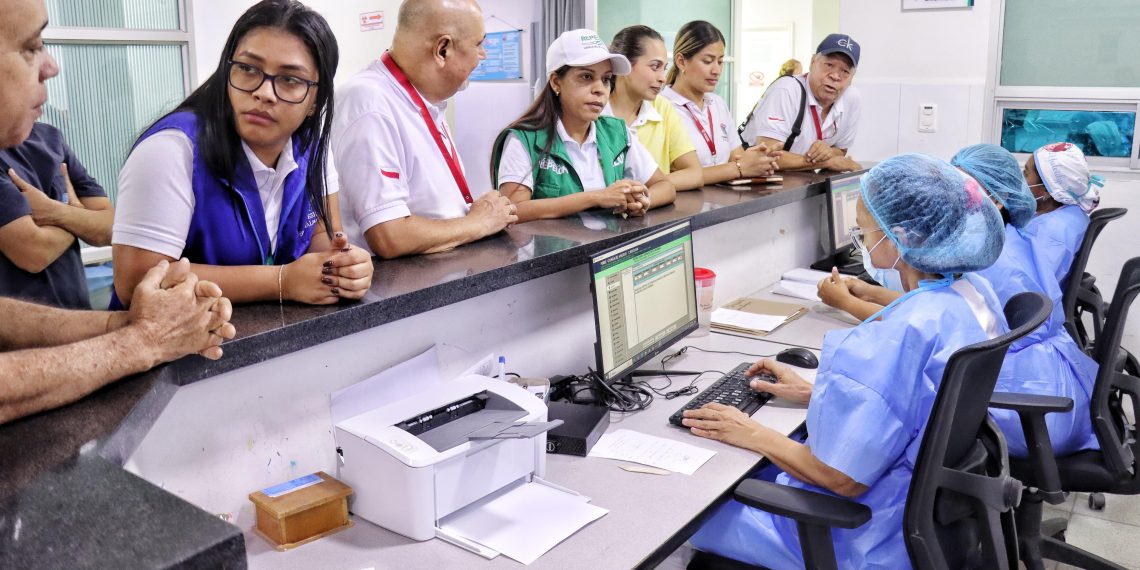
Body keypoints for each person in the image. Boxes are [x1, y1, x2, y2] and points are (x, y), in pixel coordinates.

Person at [683, 154, 1007, 568]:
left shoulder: (899, 334)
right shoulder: (970, 295)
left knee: (687, 511)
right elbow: (921, 400)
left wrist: (747, 430)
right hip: (923, 514)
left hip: (861, 535)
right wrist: (815, 391)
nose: (861, 242)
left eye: (864, 232)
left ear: (898, 238)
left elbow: (842, 478)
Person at [0, 0, 234, 425]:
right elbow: (39, 246)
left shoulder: (48, 137)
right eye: (31, 46)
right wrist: (142, 341)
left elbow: (109, 225)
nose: (51, 67)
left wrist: (129, 325)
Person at [818, 144, 1101, 458]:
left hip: (1030, 407)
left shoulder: (988, 265)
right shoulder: (992, 255)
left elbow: (925, 325)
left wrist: (846, 302)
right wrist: (869, 292)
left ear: (993, 200)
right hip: (1043, 386)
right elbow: (934, 304)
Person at [112, 0, 373, 307]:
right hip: (172, 347)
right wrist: (281, 282)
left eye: (290, 80)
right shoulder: (171, 151)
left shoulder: (312, 147)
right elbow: (137, 281)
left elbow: (322, 238)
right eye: (249, 69)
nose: (263, 92)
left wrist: (343, 268)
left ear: (315, 101)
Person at [333, 0, 516, 259]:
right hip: (395, 290)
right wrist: (479, 222)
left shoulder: (426, 100)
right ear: (442, 49)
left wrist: (477, 214)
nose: (483, 55)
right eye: (478, 44)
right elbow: (389, 236)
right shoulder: (369, 103)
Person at [489, 29, 675, 221]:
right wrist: (596, 197)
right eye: (586, 77)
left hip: (608, 247)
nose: (599, 90)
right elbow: (513, 209)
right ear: (556, 82)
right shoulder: (525, 139)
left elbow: (665, 186)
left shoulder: (616, 133)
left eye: (606, 79)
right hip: (556, 250)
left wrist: (644, 201)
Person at [1, 121, 113, 309]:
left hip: (78, 314)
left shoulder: (50, 137)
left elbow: (110, 227)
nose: (44, 95)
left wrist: (55, 212)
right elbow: (35, 253)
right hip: (21, 330)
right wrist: (78, 215)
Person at [660, 21, 779, 184]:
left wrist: (758, 161)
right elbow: (677, 176)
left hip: (724, 203)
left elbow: (736, 157)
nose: (716, 70)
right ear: (681, 61)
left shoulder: (717, 103)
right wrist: (738, 167)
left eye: (720, 61)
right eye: (708, 61)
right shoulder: (662, 107)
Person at [739, 34, 863, 172]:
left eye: (845, 71)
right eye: (829, 65)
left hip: (799, 179)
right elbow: (766, 155)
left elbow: (840, 150)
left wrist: (826, 151)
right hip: (751, 180)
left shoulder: (852, 98)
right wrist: (827, 161)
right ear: (813, 62)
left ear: (852, 77)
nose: (835, 76)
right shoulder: (785, 90)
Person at [605, 25, 703, 191]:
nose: (663, 78)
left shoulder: (662, 107)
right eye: (654, 66)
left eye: (664, 68)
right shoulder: (595, 110)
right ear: (624, 64)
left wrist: (642, 190)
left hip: (653, 211)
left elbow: (695, 173)